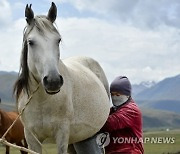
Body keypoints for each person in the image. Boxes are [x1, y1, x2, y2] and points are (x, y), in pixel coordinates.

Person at [101, 76, 144, 154]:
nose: (114, 97)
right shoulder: (115, 109)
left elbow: (108, 124)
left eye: (118, 95)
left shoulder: (131, 110)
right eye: (112, 94)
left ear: (127, 95)